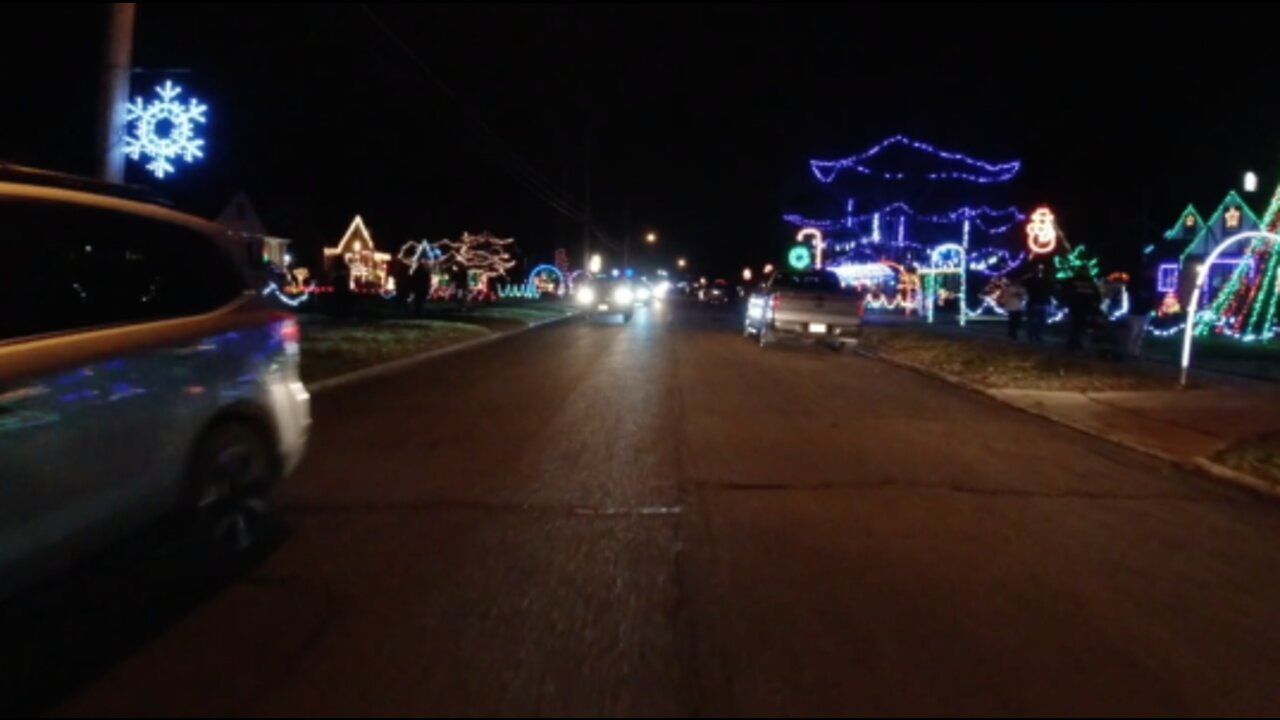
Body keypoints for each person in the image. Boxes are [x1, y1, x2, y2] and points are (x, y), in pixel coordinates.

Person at [1126, 270, 1156, 358]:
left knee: (1140, 333)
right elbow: (1131, 294)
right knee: (1134, 332)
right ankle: (1130, 350)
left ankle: (1136, 351)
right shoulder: (1136, 284)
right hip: (1135, 312)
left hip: (1145, 312)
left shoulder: (1151, 284)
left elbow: (1153, 297)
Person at [1023, 264, 1052, 343]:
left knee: (1039, 321)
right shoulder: (1031, 280)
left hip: (1039, 303)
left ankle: (1035, 336)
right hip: (1034, 302)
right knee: (1034, 321)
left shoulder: (1043, 280)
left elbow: (1047, 292)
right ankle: (1033, 336)